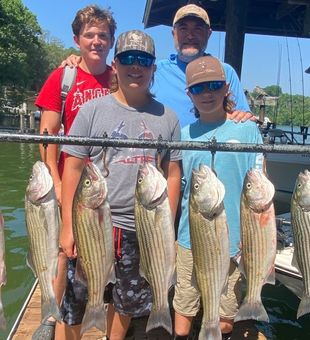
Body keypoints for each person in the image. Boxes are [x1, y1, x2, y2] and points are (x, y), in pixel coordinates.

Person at [60, 30, 181, 340]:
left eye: (144, 60)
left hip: (140, 228)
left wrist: (165, 226)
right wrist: (67, 226)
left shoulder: (168, 118)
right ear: (115, 64)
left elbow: (172, 174)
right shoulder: (92, 110)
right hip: (92, 222)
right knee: (74, 301)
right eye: (128, 59)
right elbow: (73, 167)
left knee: (126, 304)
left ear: (154, 67)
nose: (135, 66)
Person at [34, 5, 116, 339]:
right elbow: (47, 134)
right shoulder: (63, 76)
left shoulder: (117, 77)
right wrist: (53, 179)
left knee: (102, 255)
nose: (96, 41)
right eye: (89, 35)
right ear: (77, 39)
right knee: (64, 250)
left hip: (107, 186)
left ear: (111, 41)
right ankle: (52, 316)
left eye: (103, 36)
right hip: (70, 180)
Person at [174, 55, 263, 340]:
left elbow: (261, 183)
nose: (207, 93)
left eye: (213, 85)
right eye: (199, 88)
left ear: (226, 88)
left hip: (235, 241)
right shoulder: (183, 135)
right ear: (189, 94)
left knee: (224, 319)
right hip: (191, 238)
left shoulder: (248, 130)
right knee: (183, 313)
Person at [63, 4, 253, 127]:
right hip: (163, 167)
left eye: (198, 29)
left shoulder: (225, 72)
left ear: (209, 34)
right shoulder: (152, 70)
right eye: (183, 28)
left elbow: (241, 118)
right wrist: (81, 62)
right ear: (173, 34)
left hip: (206, 168)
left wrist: (245, 120)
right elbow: (116, 90)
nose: (190, 35)